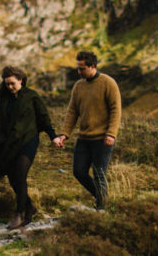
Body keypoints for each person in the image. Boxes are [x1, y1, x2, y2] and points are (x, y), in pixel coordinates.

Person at [0, 66, 57, 229]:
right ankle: (30, 207)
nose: (9, 87)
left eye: (12, 84)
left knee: (20, 173)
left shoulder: (31, 96)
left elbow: (44, 118)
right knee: (13, 177)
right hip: (10, 144)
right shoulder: (4, 100)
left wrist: (53, 136)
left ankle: (19, 215)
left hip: (28, 140)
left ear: (21, 80)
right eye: (7, 84)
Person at [52, 51, 121, 210]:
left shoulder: (108, 83)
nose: (79, 72)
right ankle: (101, 197)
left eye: (82, 68)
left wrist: (111, 134)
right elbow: (72, 112)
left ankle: (102, 208)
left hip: (103, 139)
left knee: (99, 175)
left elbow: (116, 110)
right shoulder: (78, 86)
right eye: (78, 68)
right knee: (79, 172)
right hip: (83, 139)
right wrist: (64, 134)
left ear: (93, 66)